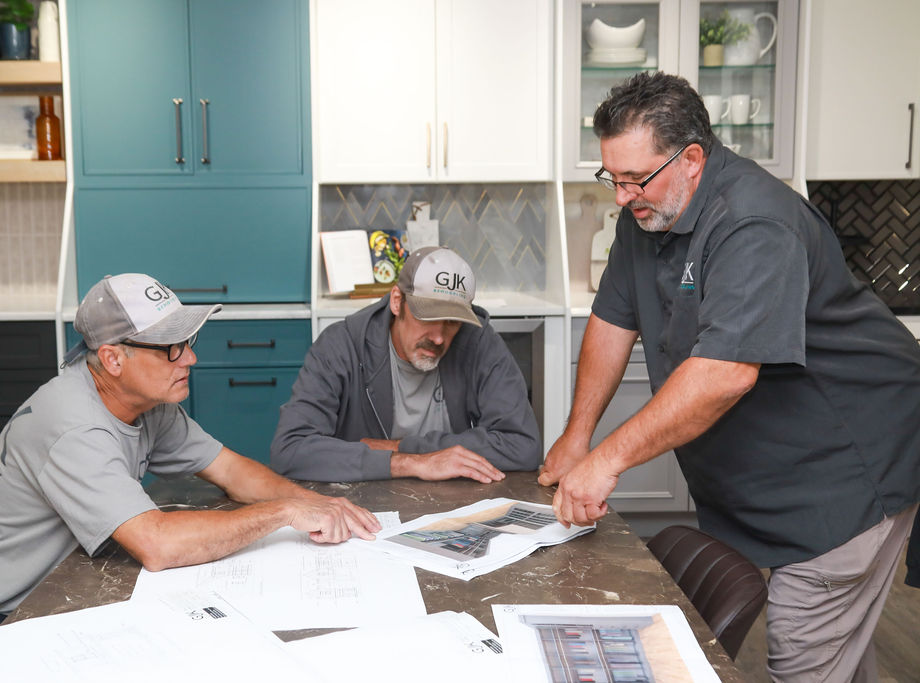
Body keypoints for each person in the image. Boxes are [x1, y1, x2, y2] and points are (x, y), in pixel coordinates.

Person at [538, 72, 920, 682]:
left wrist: (605, 460)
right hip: (768, 471)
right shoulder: (646, 215)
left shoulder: (754, 222)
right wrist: (577, 433)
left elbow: (723, 375)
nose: (620, 196)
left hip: (845, 469)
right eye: (612, 177)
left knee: (803, 657)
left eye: (635, 178)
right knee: (841, 657)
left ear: (692, 159)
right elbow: (613, 317)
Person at [0, 273, 380, 657]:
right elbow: (156, 544)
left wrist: (317, 503)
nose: (190, 358)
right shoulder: (75, 429)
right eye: (172, 347)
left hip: (51, 594)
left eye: (188, 340)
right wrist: (284, 513)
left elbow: (231, 470)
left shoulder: (146, 403)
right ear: (114, 358)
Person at [271, 246, 541, 483]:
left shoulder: (478, 340)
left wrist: (400, 447)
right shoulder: (340, 345)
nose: (438, 337)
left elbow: (523, 446)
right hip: (359, 507)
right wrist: (413, 463)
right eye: (427, 317)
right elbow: (290, 449)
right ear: (398, 301)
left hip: (450, 508)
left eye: (452, 322)